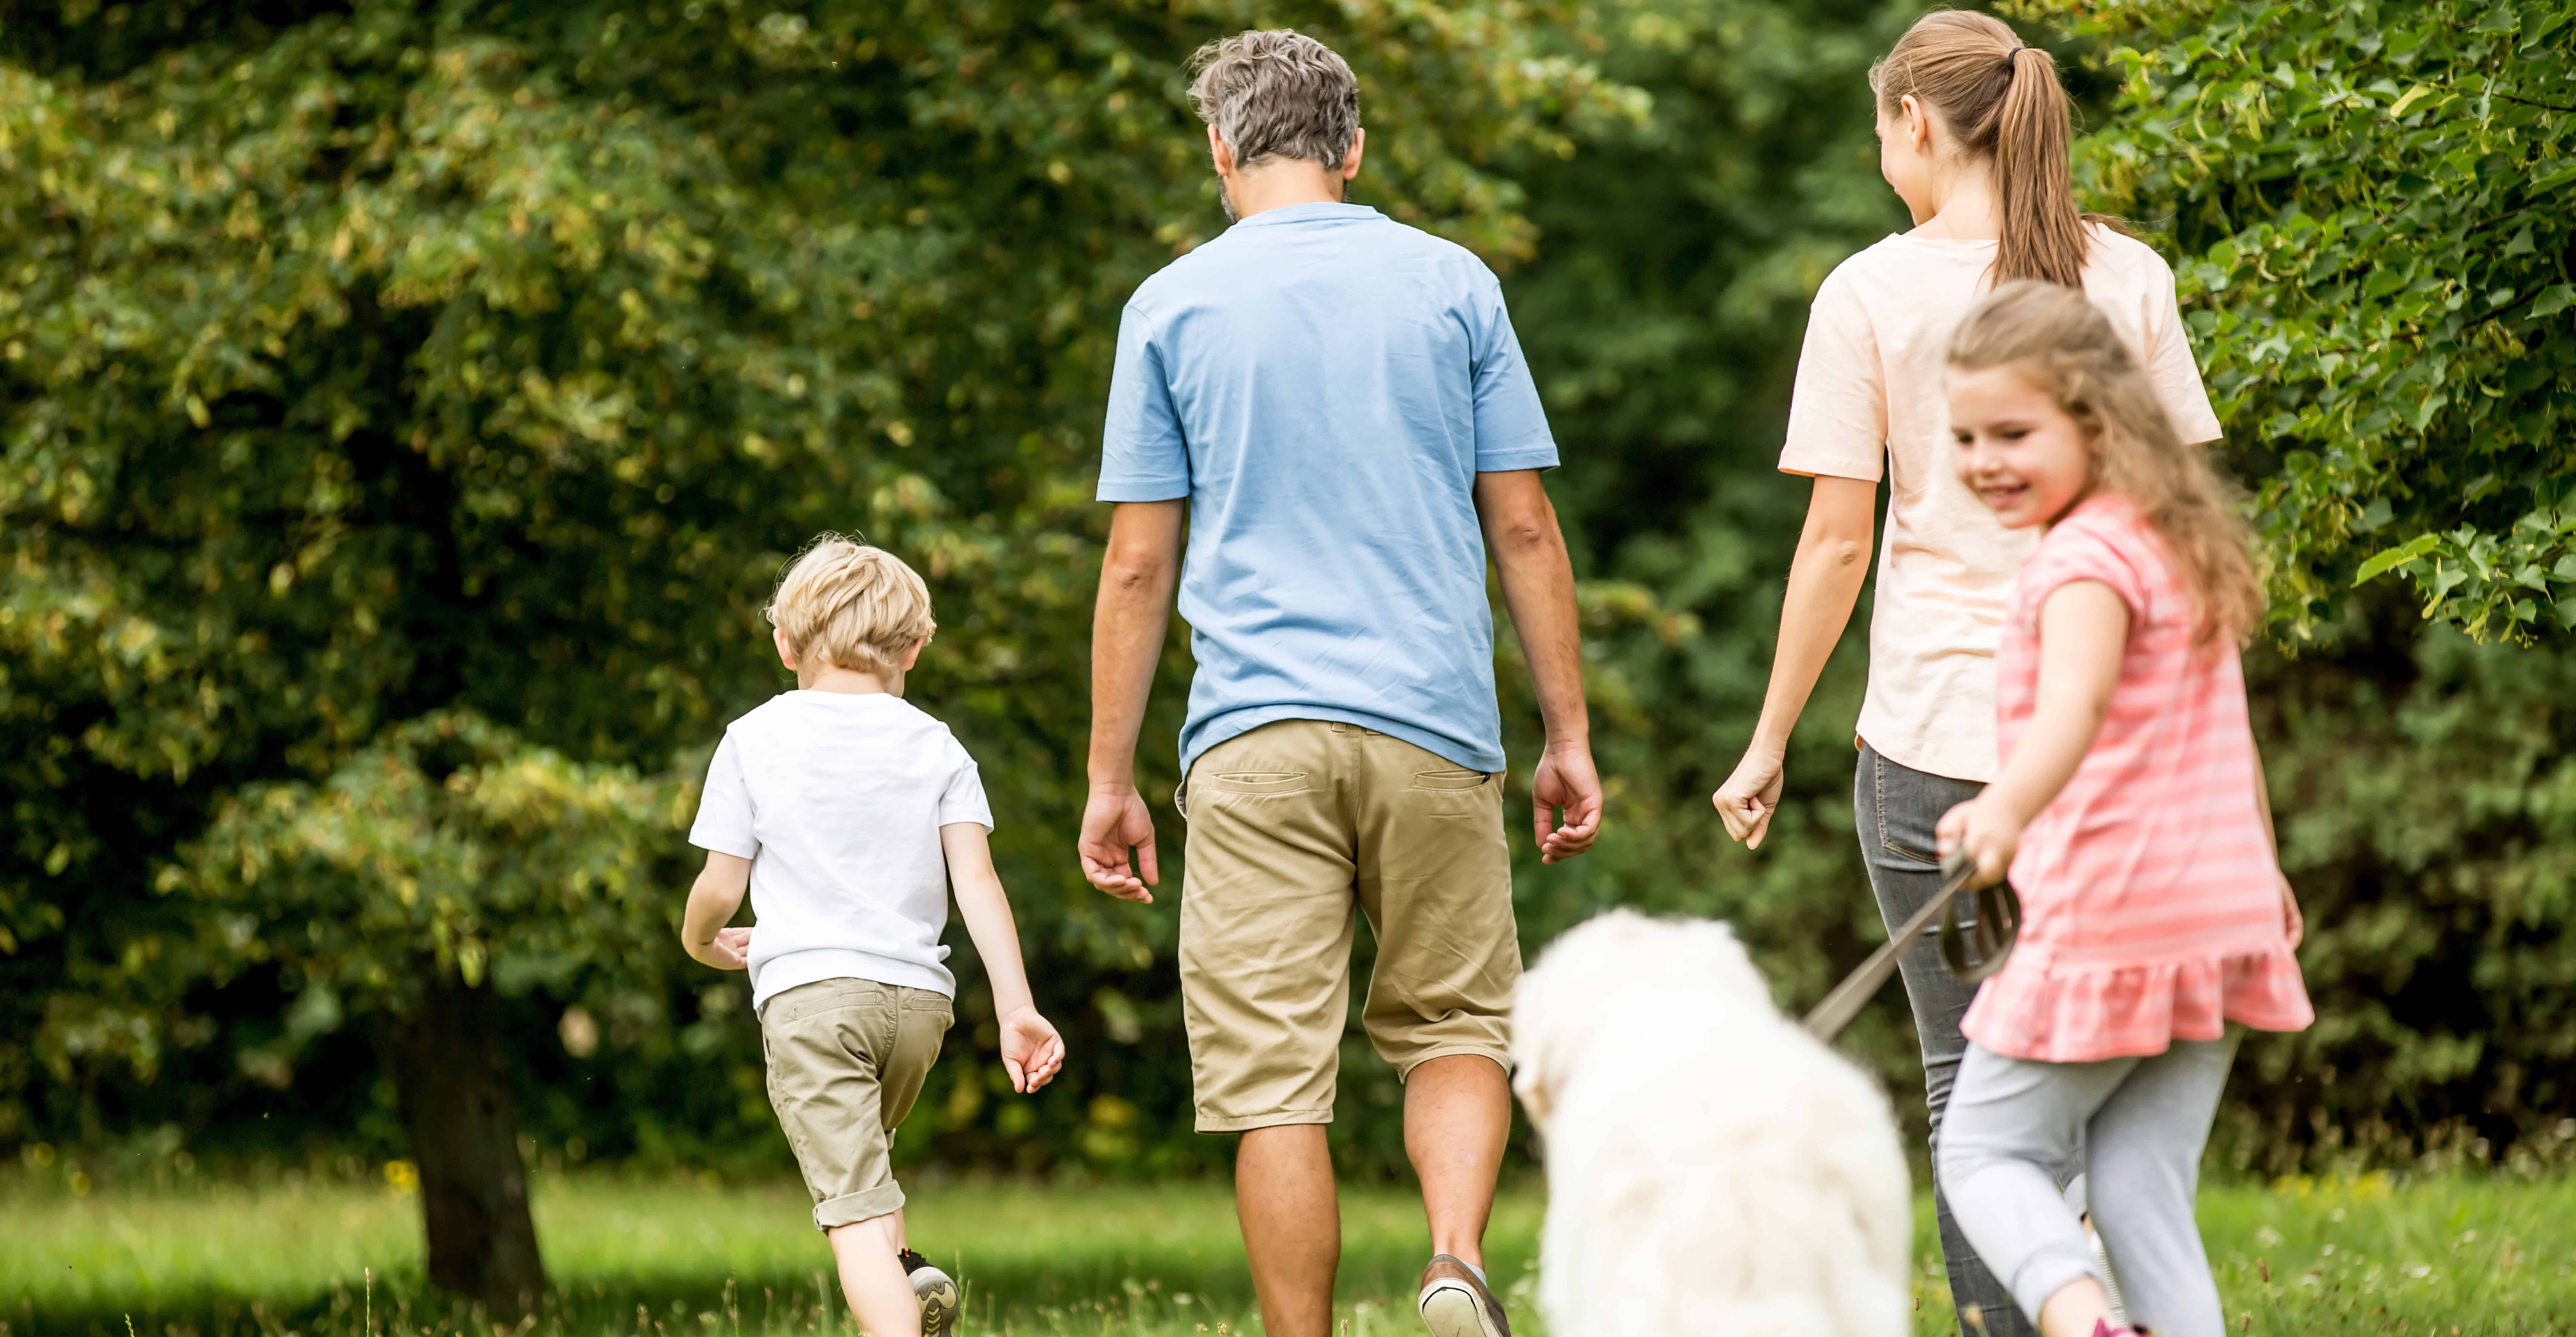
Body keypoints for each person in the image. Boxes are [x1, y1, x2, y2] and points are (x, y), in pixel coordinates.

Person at [1077, 29, 1603, 1337]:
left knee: (1274, 1085)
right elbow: (1526, 527)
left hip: (1251, 735)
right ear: (1353, 148)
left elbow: (1139, 568)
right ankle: (1452, 1259)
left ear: (1221, 149)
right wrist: (1567, 733)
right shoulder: (1453, 283)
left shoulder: (1172, 304)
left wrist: (1110, 776)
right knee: (1457, 1022)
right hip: (1433, 722)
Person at [1706, 13, 2223, 1334]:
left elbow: (1836, 544)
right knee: (2117, 1092)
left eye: (1882, 128)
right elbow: (2187, 521)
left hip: (1943, 734)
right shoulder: (2134, 276)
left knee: (1970, 1084)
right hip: (2121, 741)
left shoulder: (1872, 293)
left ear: (1916, 124)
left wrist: (1769, 740)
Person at [1929, 281, 2313, 1337]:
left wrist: (2003, 808)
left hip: (2114, 913)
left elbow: (2077, 703)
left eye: (2014, 430)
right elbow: (2225, 735)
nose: (1983, 459)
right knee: (2146, 1193)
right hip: (2216, 914)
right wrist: (2263, 874)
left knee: (1983, 1151)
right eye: (1964, 435)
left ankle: (2077, 1316)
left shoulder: (2085, 560)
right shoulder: (2171, 543)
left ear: (2096, 423)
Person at [679, 537, 1066, 1337]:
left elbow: (720, 886)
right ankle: (910, 1279)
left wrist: (701, 941)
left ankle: (892, 1306)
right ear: (915, 648)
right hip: (918, 1010)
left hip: (815, 1006)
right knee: (871, 1174)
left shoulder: (754, 738)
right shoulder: (938, 745)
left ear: (785, 642)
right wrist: (1017, 1007)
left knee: (849, 1216)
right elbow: (979, 885)